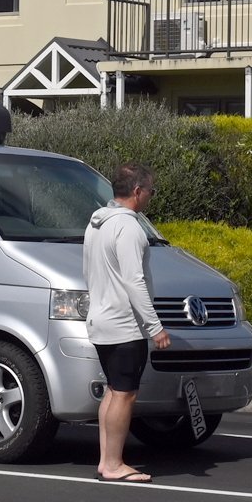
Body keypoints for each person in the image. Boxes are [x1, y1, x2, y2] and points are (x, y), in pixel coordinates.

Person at [85, 163, 171, 483]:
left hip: (101, 318)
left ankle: (107, 460)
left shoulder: (96, 222)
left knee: (113, 390)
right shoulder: (129, 228)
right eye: (151, 190)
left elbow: (90, 271)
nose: (151, 196)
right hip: (124, 324)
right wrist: (155, 327)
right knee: (124, 393)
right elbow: (135, 281)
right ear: (137, 191)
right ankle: (113, 464)